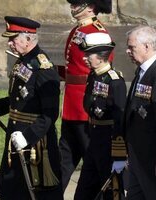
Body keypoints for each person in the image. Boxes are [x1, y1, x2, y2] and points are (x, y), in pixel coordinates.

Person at [0, 16, 63, 200]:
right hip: (16, 136)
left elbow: (50, 113)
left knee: (39, 192)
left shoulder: (43, 68)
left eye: (13, 39)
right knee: (12, 190)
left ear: (28, 39)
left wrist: (28, 136)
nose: (9, 43)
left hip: (36, 143)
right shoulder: (22, 61)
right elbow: (18, 99)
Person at [58, 0, 113, 192]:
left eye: (78, 3)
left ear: (91, 7)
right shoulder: (78, 30)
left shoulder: (97, 32)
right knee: (64, 159)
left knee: (92, 161)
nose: (73, 6)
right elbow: (71, 67)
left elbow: (102, 70)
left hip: (84, 105)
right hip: (72, 104)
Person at [73, 32, 127, 200]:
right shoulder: (93, 75)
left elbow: (120, 119)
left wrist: (119, 156)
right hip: (94, 140)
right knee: (84, 191)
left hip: (109, 144)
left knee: (111, 192)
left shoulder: (115, 81)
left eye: (89, 54)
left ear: (102, 56)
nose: (85, 58)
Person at [124, 25, 156, 200]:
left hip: (150, 157)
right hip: (138, 155)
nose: (128, 51)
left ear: (147, 46)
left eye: (131, 47)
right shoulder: (142, 71)